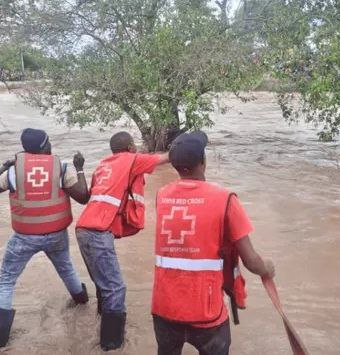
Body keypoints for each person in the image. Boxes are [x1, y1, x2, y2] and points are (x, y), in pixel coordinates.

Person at [151, 131, 275, 355]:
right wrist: (268, 268)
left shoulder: (162, 195)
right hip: (206, 312)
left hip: (163, 306)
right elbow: (252, 262)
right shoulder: (225, 199)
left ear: (176, 166)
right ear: (203, 162)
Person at [0, 128, 90, 349]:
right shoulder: (60, 167)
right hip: (56, 234)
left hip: (24, 238)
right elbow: (83, 197)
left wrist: (5, 166)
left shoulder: (14, 172)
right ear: (44, 146)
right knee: (66, 268)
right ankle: (82, 302)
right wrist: (79, 169)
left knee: (6, 282)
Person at [76, 131, 169, 351]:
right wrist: (187, 144)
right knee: (116, 290)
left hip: (83, 229)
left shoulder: (102, 165)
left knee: (104, 286)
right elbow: (167, 158)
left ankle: (102, 328)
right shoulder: (132, 160)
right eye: (134, 145)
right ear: (130, 148)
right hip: (98, 232)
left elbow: (90, 196)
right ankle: (112, 345)